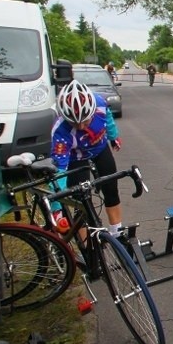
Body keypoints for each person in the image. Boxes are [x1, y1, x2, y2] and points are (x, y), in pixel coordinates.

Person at [50, 79, 123, 237]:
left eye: (86, 121)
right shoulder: (61, 132)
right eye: (75, 123)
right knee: (81, 200)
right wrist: (56, 208)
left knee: (111, 189)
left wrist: (113, 136)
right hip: (76, 158)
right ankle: (86, 251)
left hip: (100, 148)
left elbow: (108, 119)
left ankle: (117, 234)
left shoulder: (100, 104)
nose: (82, 127)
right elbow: (59, 172)